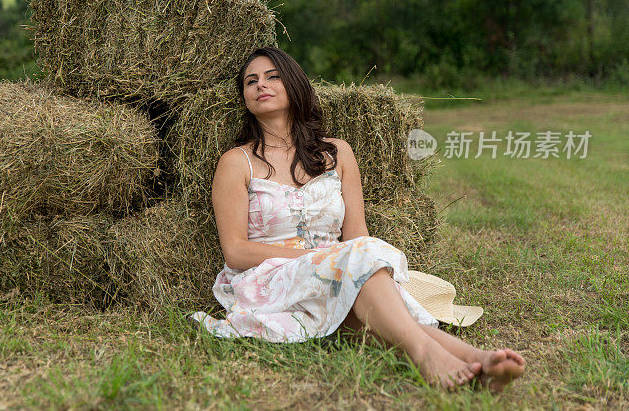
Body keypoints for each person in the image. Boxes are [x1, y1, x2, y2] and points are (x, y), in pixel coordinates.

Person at [190, 47, 525, 392]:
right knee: (360, 272)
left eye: (272, 76)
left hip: (339, 269)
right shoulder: (236, 162)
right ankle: (432, 355)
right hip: (270, 278)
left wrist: (340, 263)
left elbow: (357, 236)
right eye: (251, 81)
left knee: (370, 306)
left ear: (294, 84)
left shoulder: (337, 152)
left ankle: (480, 364)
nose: (261, 85)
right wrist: (320, 259)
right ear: (244, 97)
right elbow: (235, 252)